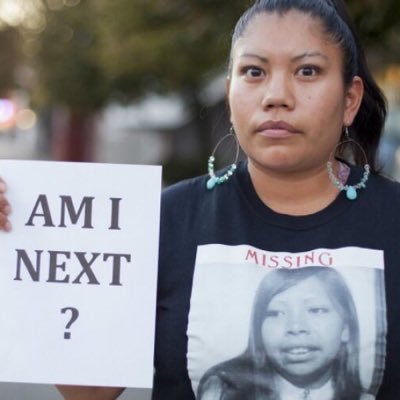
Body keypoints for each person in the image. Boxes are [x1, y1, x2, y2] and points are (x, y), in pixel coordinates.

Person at [0, 0, 398, 398]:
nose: (277, 96)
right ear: (230, 93)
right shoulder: (162, 221)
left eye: (307, 71)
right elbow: (90, 391)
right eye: (254, 72)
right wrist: (19, 240)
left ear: (350, 99)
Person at [197, 267, 363, 400]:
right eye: (276, 313)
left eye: (316, 310)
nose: (296, 327)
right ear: (258, 329)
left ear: (346, 329)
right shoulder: (224, 390)